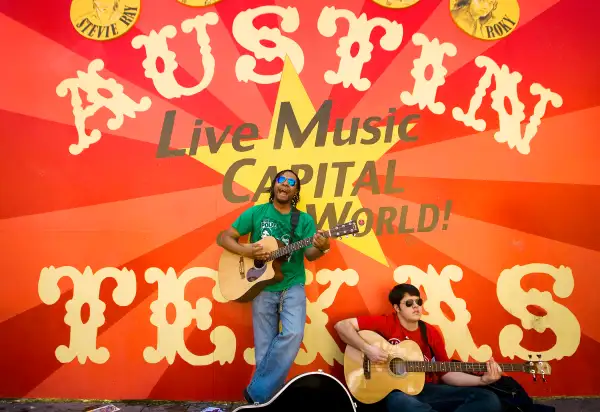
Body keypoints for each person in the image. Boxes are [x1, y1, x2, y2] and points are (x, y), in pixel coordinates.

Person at [217, 169, 330, 404]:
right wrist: (246, 250)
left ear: (295, 191)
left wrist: (321, 246)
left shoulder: (304, 220)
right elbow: (225, 238)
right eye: (282, 180)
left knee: (293, 333)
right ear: (274, 185)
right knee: (264, 348)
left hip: (292, 284)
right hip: (261, 286)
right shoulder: (257, 213)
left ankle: (255, 394)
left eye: (291, 182)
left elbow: (310, 254)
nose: (285, 185)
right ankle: (263, 404)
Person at [334, 283, 503, 412]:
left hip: (428, 390)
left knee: (489, 399)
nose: (416, 306)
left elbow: (446, 373)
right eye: (409, 303)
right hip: (397, 393)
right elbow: (342, 326)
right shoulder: (385, 323)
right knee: (399, 402)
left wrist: (481, 380)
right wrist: (368, 349)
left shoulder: (430, 333)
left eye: (418, 302)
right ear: (396, 308)